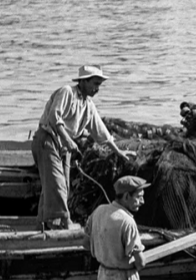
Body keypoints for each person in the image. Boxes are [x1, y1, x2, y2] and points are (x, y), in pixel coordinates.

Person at [32, 65, 134, 230]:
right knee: (57, 184)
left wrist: (118, 151)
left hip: (63, 147)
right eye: (95, 83)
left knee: (61, 184)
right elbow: (54, 116)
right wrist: (67, 139)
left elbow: (102, 132)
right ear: (83, 82)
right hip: (47, 140)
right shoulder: (67, 92)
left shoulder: (88, 105)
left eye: (99, 85)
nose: (97, 89)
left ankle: (43, 222)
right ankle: (63, 222)